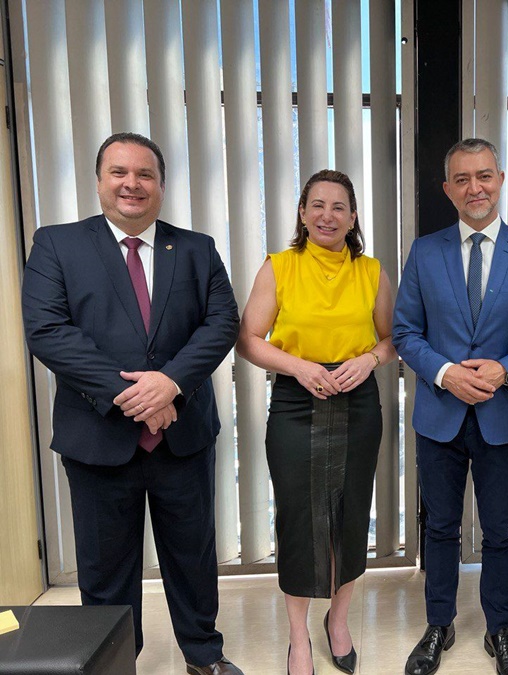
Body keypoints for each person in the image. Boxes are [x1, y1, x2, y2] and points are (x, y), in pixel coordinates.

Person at [21, 132, 242, 675]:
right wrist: (137, 396)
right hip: (98, 438)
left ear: (161, 185)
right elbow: (48, 331)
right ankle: (114, 663)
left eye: (145, 174)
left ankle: (203, 655)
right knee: (105, 568)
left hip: (183, 436)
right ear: (99, 181)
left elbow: (221, 324)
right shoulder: (56, 245)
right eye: (118, 172)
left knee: (192, 557)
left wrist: (170, 384)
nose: (132, 184)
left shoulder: (196, 248)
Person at [393, 138, 508, 675]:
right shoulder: (424, 251)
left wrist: (507, 369)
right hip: (438, 416)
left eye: (484, 176)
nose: (474, 188)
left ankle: (500, 629)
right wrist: (445, 373)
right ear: (447, 189)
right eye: (462, 179)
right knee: (440, 526)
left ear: (500, 180)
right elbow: (405, 332)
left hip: (501, 416)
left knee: (500, 529)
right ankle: (439, 625)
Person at [236, 169, 395, 675]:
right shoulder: (279, 267)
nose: (328, 215)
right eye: (318, 205)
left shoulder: (372, 272)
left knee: (351, 514)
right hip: (295, 401)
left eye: (339, 207)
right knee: (299, 519)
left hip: (358, 400)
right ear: (303, 214)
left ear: (353, 218)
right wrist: (299, 367)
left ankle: (338, 621)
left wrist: (369, 360)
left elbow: (394, 339)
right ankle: (298, 636)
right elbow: (249, 340)